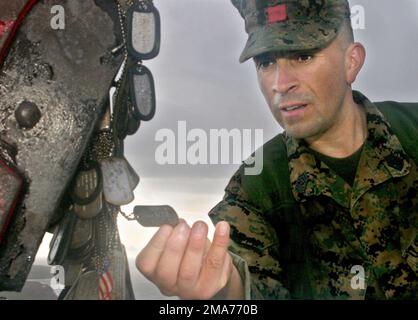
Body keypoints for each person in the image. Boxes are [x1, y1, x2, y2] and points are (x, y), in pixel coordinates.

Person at [136, 0, 418, 299]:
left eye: (303, 56)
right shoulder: (255, 188)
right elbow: (246, 281)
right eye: (266, 63)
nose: (280, 84)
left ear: (351, 62)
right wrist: (224, 287)